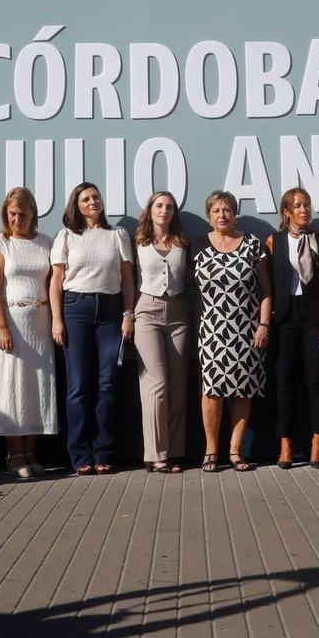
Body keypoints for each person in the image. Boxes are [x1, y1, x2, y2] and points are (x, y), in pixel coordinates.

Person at [49, 182, 135, 475]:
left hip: (111, 311)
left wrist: (128, 314)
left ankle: (103, 453)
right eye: (85, 199)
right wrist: (57, 320)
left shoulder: (117, 234)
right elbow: (55, 281)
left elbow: (128, 279)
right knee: (78, 386)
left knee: (107, 384)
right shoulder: (66, 236)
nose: (92, 202)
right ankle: (80, 455)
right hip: (75, 309)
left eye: (96, 196)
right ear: (76, 205)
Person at [191, 190, 271, 472]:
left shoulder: (253, 244)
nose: (222, 215)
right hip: (212, 329)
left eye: (226, 210)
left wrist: (264, 324)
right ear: (208, 216)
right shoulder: (197, 246)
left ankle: (236, 451)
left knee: (243, 389)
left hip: (247, 329)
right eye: (216, 211)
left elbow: (266, 289)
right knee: (212, 389)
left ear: (234, 214)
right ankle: (211, 451)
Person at [0, 187, 56, 479]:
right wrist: (2, 327)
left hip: (40, 325)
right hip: (12, 324)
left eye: (23, 214)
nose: (18, 220)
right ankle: (14, 456)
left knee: (36, 387)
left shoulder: (46, 242)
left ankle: (31, 453)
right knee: (12, 387)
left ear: (33, 214)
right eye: (12, 214)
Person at [266, 188, 319, 469]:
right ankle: (285, 444)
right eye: (297, 206)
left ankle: (317, 443)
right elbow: (267, 284)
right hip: (284, 318)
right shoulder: (274, 241)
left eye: (306, 204)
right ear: (287, 212)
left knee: (315, 381)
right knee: (283, 382)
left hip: (314, 317)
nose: (304, 210)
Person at [134, 191, 192, 473]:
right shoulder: (138, 241)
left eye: (169, 207)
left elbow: (190, 277)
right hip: (146, 311)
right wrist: (127, 314)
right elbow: (128, 279)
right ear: (150, 209)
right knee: (155, 382)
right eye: (159, 205)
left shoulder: (182, 242)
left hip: (179, 313)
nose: (164, 210)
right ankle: (155, 453)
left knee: (178, 385)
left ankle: (175, 450)